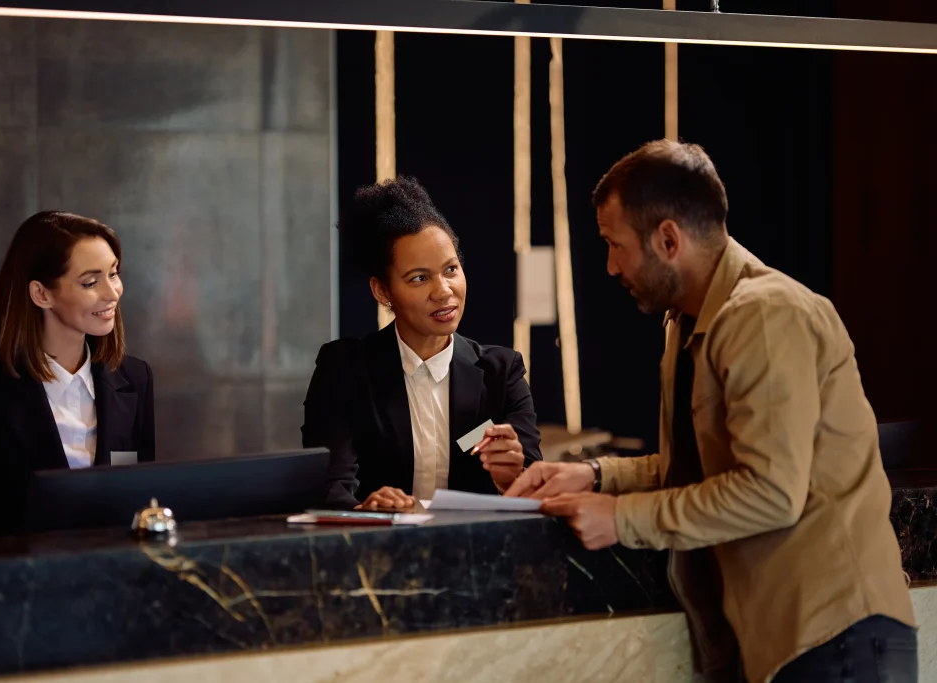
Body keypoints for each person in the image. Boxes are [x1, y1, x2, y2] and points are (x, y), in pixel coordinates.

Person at [506, 141, 916, 683]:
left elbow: (769, 492)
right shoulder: (689, 320)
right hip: (786, 641)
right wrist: (596, 475)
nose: (609, 266)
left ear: (668, 239)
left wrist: (622, 520)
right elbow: (708, 467)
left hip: (835, 638)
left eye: (614, 245)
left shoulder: (765, 315)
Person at [302, 176, 542, 510]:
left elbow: (535, 486)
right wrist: (365, 509)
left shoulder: (501, 373)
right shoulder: (345, 369)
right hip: (376, 551)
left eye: (451, 269)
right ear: (382, 291)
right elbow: (330, 486)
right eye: (419, 278)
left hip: (474, 552)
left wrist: (512, 477)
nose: (443, 290)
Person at [0, 211, 156, 540]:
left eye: (114, 274)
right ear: (41, 294)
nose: (112, 293)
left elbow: (141, 505)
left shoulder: (135, 378)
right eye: (91, 282)